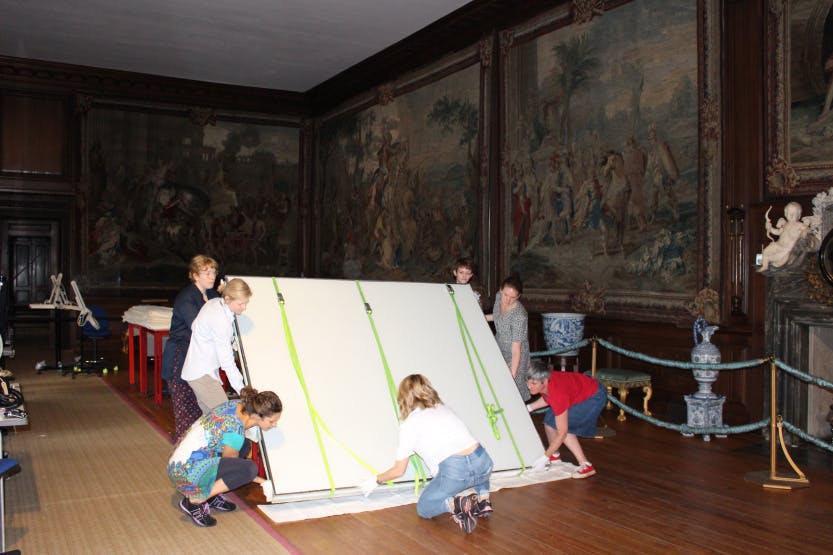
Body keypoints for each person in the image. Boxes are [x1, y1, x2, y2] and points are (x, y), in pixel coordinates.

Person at [361, 374, 493, 534]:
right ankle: (484, 499)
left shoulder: (409, 424)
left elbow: (398, 470)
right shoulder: (444, 409)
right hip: (484, 463)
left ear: (403, 397)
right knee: (475, 463)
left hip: (455, 472)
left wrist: (376, 480)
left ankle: (456, 504)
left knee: (424, 508)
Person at [168, 385, 282, 527]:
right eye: (272, 421)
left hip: (178, 462)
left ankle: (211, 494)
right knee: (249, 469)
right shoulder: (235, 431)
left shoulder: (237, 406)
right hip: (184, 474)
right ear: (258, 416)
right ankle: (197, 500)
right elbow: (234, 467)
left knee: (245, 445)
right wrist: (263, 481)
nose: (275, 425)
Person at [161, 255, 221, 441]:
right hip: (180, 358)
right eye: (207, 273)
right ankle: (183, 462)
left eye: (213, 272)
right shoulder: (186, 298)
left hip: (199, 362)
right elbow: (199, 328)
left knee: (201, 415)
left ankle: (200, 459)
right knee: (186, 416)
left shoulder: (211, 295)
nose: (212, 277)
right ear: (195, 275)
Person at [524, 358, 606, 479]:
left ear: (545, 381)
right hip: (580, 392)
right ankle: (555, 456)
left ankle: (586, 465)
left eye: (534, 384)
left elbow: (562, 433)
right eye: (528, 382)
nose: (529, 387)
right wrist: (529, 407)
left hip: (594, 396)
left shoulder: (558, 393)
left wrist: (544, 457)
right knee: (549, 423)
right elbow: (548, 397)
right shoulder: (545, 382)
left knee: (565, 429)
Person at [181, 277, 252, 414]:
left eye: (246, 303)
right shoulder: (221, 321)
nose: (244, 308)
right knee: (227, 418)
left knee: (211, 422)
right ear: (227, 299)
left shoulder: (214, 303)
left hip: (197, 371)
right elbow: (227, 362)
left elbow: (195, 326)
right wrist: (243, 391)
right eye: (241, 304)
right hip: (202, 374)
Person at [486, 275, 531, 402]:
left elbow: (516, 349)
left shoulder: (519, 316)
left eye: (513, 297)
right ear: (501, 290)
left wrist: (512, 374)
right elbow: (497, 316)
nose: (507, 300)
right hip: (499, 347)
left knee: (513, 392)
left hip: (515, 356)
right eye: (506, 295)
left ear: (518, 296)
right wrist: (480, 318)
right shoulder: (498, 296)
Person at [758, 202, 810, 272]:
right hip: (778, 245)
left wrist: (804, 232)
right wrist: (770, 228)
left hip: (787, 249)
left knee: (777, 259)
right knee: (766, 251)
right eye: (789, 212)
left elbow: (806, 229)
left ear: (799, 215)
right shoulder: (785, 225)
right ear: (785, 214)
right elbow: (777, 232)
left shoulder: (799, 225)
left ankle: (767, 261)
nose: (791, 215)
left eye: (794, 213)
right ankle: (765, 265)